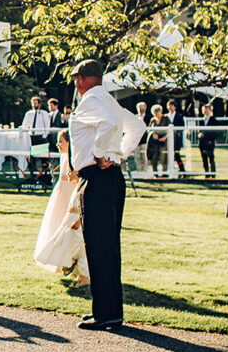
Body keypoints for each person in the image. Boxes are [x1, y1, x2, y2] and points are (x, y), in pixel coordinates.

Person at [67, 59, 146, 330]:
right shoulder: (109, 100)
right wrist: (119, 153)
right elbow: (136, 126)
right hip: (112, 178)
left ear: (83, 79)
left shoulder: (90, 101)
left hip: (96, 177)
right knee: (109, 247)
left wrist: (103, 154)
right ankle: (110, 310)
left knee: (98, 246)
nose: (76, 84)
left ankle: (105, 313)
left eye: (77, 78)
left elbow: (109, 123)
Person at [33, 130, 89, 286]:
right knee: (65, 233)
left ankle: (82, 273)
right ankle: (72, 267)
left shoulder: (75, 158)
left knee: (75, 234)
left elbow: (75, 179)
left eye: (61, 142)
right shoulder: (65, 157)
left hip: (71, 198)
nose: (58, 145)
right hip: (64, 197)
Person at [21, 96, 51, 171]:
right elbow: (24, 125)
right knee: (31, 158)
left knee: (43, 158)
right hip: (31, 137)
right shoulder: (28, 113)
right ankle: (33, 174)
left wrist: (44, 136)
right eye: (33, 103)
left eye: (35, 103)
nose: (34, 105)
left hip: (41, 137)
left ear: (39, 104)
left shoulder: (44, 113)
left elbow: (47, 125)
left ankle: (45, 175)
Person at [199, 103, 221, 178]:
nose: (205, 111)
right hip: (202, 142)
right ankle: (207, 173)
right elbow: (200, 130)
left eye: (207, 109)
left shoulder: (213, 120)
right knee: (204, 158)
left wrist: (209, 138)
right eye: (204, 109)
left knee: (211, 157)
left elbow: (216, 132)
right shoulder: (201, 120)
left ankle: (213, 174)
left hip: (210, 142)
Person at [146, 104, 169, 176]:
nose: (156, 116)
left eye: (157, 114)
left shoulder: (166, 118)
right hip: (154, 142)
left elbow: (171, 129)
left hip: (163, 140)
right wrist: (153, 134)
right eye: (155, 114)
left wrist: (165, 137)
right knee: (154, 157)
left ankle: (164, 173)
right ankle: (155, 173)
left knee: (163, 157)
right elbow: (149, 129)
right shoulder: (152, 120)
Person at [166, 99, 187, 174]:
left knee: (177, 155)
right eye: (169, 106)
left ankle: (182, 170)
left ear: (175, 107)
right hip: (167, 139)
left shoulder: (179, 116)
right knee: (167, 155)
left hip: (176, 140)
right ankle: (169, 170)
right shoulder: (166, 116)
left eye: (172, 106)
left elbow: (182, 127)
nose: (170, 107)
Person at [134, 101, 150, 172]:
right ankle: (139, 169)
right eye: (140, 108)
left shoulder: (148, 118)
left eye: (143, 108)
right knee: (137, 156)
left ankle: (145, 169)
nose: (141, 110)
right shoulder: (134, 117)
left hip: (144, 140)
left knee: (144, 156)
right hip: (136, 140)